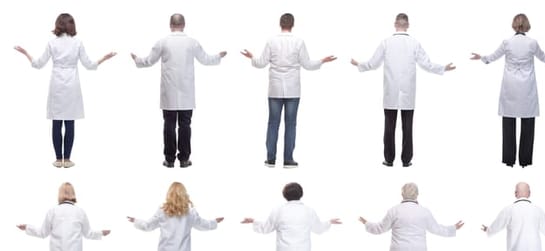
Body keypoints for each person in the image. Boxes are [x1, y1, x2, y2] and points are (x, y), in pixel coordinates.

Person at [14, 13, 117, 168]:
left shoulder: (52, 43)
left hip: (56, 85)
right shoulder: (77, 43)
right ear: (72, 25)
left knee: (56, 122)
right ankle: (67, 159)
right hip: (72, 86)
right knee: (69, 122)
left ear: (58, 25)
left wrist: (26, 53)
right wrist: (104, 58)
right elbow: (89, 65)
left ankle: (57, 159)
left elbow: (38, 64)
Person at [352, 13, 455, 168]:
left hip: (390, 93)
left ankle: (389, 159)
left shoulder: (386, 43)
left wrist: (359, 64)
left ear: (395, 24)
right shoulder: (414, 43)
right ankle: (406, 161)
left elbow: (373, 63)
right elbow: (426, 64)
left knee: (389, 128)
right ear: (407, 25)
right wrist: (443, 68)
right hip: (408, 93)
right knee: (407, 128)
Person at [471, 13, 545, 168]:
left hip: (510, 87)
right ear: (527, 25)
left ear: (514, 25)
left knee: (508, 122)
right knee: (528, 123)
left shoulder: (507, 42)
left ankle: (509, 161)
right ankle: (525, 161)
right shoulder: (532, 43)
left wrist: (481, 57)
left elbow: (492, 57)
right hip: (526, 87)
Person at [132, 13, 227, 169]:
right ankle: (184, 159)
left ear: (170, 25)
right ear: (184, 25)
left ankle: (169, 160)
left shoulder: (162, 42)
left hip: (168, 92)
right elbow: (206, 59)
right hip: (186, 93)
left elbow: (148, 61)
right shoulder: (192, 43)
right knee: (185, 126)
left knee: (169, 125)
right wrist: (219, 56)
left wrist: (136, 59)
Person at [242, 13, 337, 169]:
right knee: (291, 124)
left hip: (275, 89)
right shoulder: (298, 42)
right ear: (293, 25)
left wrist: (251, 57)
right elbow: (308, 64)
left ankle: (270, 159)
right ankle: (288, 160)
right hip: (293, 89)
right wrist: (322, 61)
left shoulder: (271, 41)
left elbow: (261, 63)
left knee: (273, 123)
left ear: (280, 24)